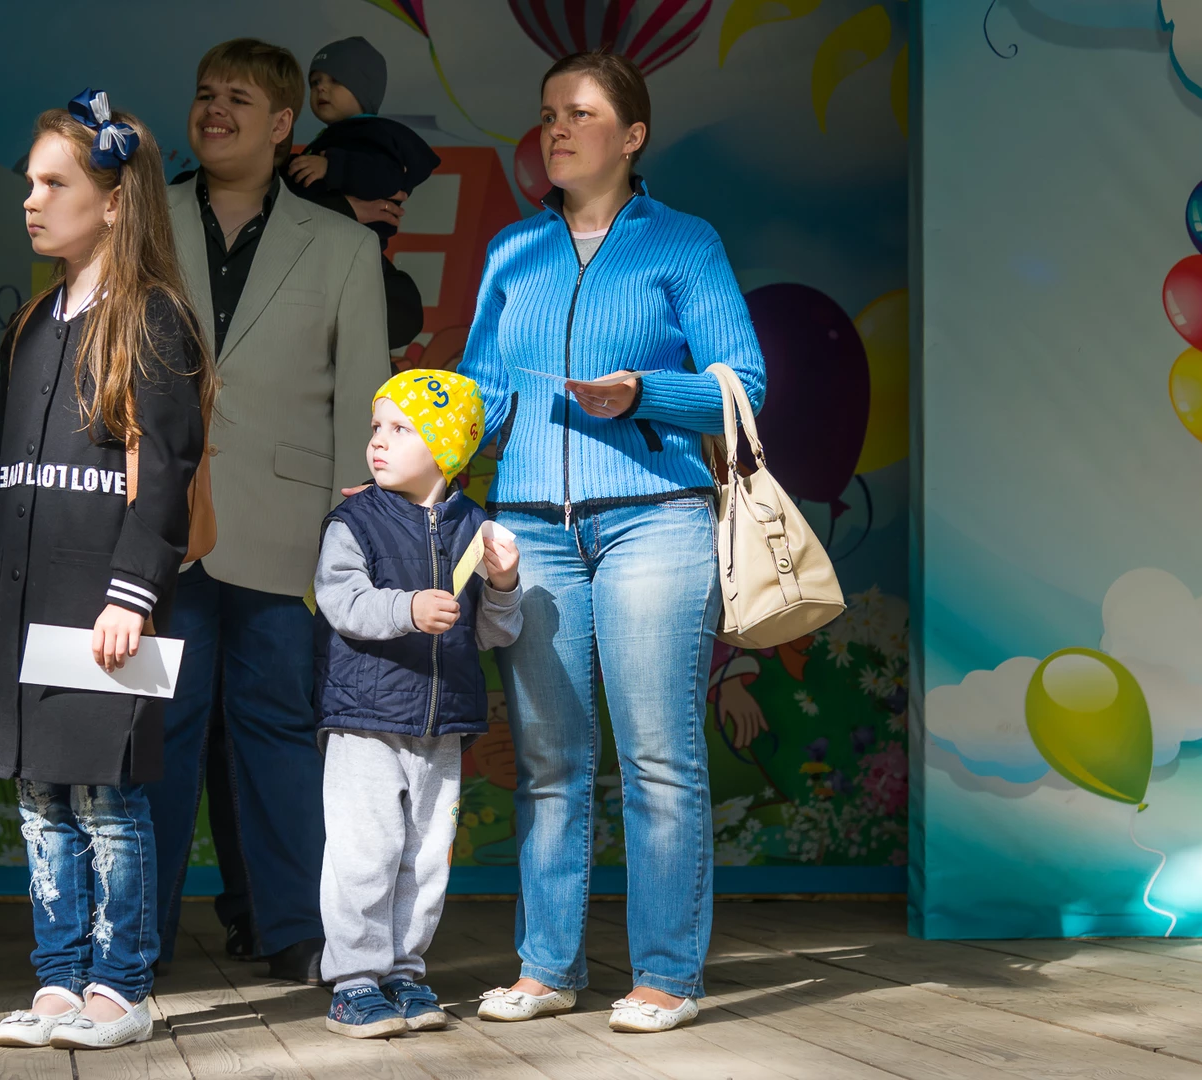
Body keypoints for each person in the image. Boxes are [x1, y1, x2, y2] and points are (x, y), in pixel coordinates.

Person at [456, 50, 766, 1034]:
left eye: (580, 113)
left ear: (632, 137)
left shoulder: (684, 243)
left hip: (656, 518)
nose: (556, 127)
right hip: (529, 531)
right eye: (548, 111)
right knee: (547, 762)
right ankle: (546, 967)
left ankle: (667, 975)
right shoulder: (512, 251)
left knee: (658, 758)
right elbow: (478, 394)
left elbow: (743, 387)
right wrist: (411, 463)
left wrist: (642, 393)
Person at [0, 90, 205, 1052]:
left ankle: (120, 988)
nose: (31, 199)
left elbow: (166, 472)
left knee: (106, 797)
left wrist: (132, 594)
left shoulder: (153, 320)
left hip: (103, 604)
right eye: (29, 182)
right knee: (39, 798)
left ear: (113, 201)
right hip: (24, 595)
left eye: (54, 183)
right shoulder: (30, 323)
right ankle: (57, 980)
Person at [146, 37, 390, 987]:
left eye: (239, 99)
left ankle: (295, 927)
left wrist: (350, 542)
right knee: (155, 731)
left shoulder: (343, 245)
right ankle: (136, 938)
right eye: (205, 94)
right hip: (155, 521)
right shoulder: (137, 220)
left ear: (284, 123)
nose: (215, 111)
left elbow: (363, 401)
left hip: (290, 530)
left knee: (279, 730)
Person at [314, 369, 522, 1039]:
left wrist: (504, 585)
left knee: (427, 860)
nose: (378, 441)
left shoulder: (476, 528)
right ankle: (353, 982)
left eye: (400, 429)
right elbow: (341, 601)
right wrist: (407, 608)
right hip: (365, 721)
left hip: (441, 727)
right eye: (376, 427)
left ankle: (403, 972)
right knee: (363, 855)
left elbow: (491, 633)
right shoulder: (355, 521)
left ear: (447, 448)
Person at [287, 37, 441, 250]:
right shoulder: (335, 135)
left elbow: (387, 178)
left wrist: (331, 166)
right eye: (315, 82)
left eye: (336, 80)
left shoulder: (375, 134)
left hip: (350, 252)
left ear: (364, 89)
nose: (321, 87)